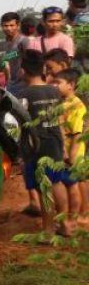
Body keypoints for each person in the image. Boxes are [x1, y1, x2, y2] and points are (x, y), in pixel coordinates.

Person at [18, 50, 69, 237]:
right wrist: (63, 148)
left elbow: (20, 124)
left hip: (36, 146)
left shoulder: (23, 95)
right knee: (57, 183)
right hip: (54, 142)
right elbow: (59, 120)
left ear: (24, 70)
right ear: (42, 69)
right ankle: (64, 225)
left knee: (44, 188)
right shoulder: (54, 91)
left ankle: (47, 230)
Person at [55, 68, 85, 231]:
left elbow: (77, 133)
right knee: (67, 185)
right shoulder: (63, 103)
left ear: (71, 85)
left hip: (72, 154)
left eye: (58, 82)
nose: (55, 86)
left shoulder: (76, 105)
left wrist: (71, 155)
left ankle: (73, 220)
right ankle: (67, 220)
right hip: (64, 152)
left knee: (72, 186)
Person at [0, 11, 27, 94]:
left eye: (11, 25)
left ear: (18, 26)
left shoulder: (24, 41)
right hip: (12, 84)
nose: (9, 28)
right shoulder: (6, 44)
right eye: (5, 26)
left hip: (24, 84)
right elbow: (5, 64)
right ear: (1, 26)